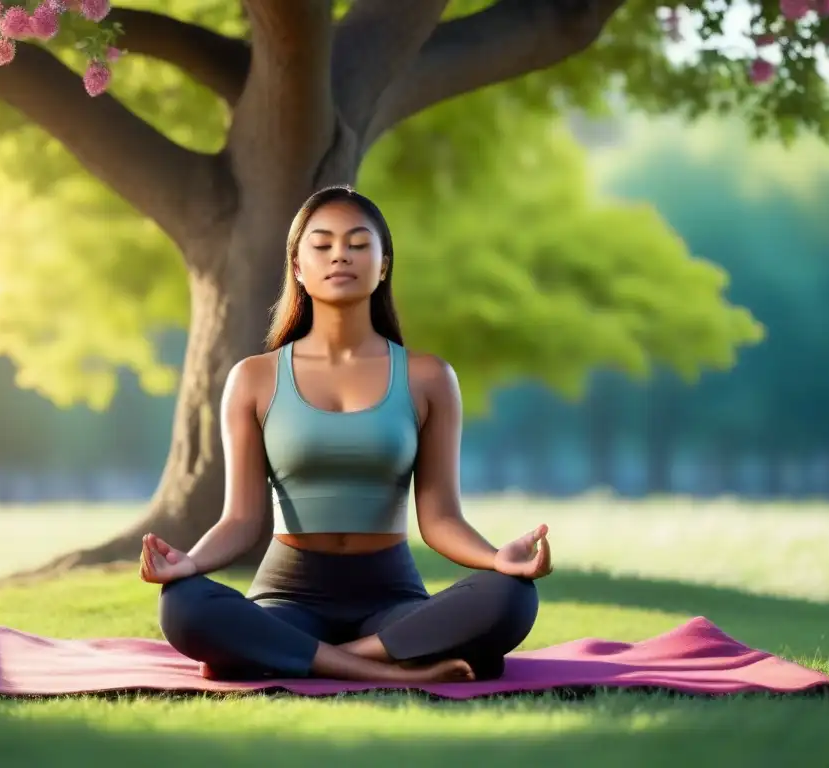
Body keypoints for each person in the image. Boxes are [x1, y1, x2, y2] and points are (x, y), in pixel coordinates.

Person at [139, 185, 554, 684]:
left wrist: (495, 558)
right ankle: (397, 667)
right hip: (287, 598)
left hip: (392, 600)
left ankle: (299, 656)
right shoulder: (254, 378)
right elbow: (243, 519)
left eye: (359, 244)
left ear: (382, 266)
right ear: (297, 266)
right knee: (184, 605)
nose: (341, 255)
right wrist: (191, 562)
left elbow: (440, 518)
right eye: (323, 244)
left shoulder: (428, 378)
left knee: (511, 596)